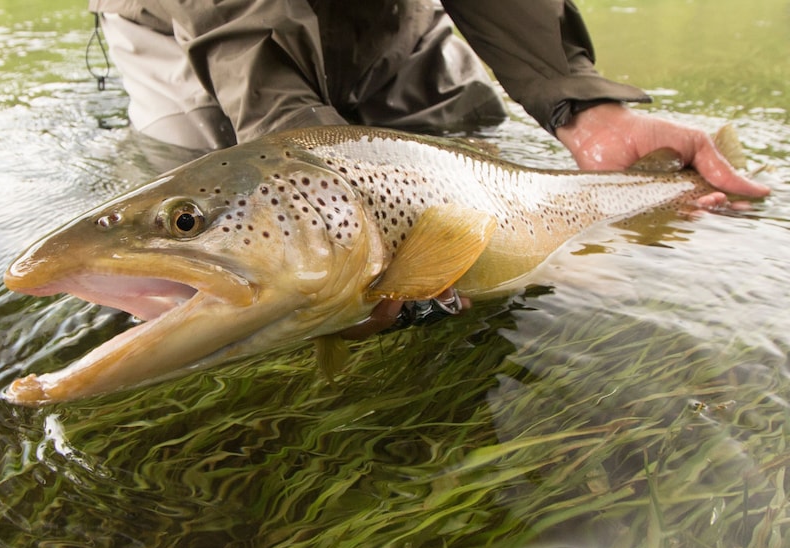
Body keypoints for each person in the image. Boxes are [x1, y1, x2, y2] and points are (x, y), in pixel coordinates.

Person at [87, 0, 770, 334]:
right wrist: (315, 178)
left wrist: (586, 110)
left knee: (465, 139)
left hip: (383, 10)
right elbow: (232, 16)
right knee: (217, 194)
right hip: (189, 20)